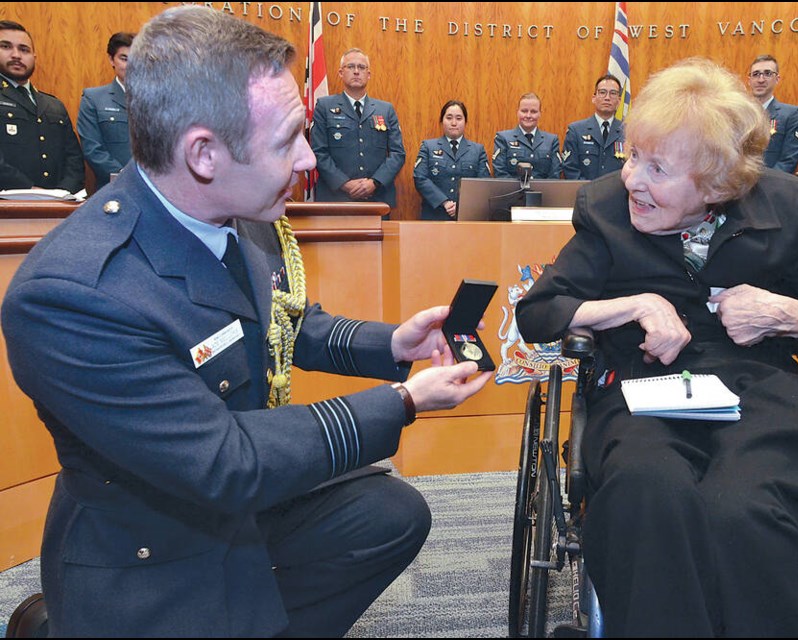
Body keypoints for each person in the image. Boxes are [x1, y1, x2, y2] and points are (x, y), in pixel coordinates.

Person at [1, 6, 491, 637]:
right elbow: (224, 461)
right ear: (204, 153)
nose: (309, 158)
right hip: (152, 542)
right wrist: (401, 401)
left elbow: (284, 324)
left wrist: (392, 344)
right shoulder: (76, 293)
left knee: (387, 514)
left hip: (235, 499)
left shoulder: (243, 209)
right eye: (288, 138)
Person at [515, 58, 798, 637]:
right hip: (644, 394)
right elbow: (540, 312)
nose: (634, 178)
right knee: (648, 491)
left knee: (742, 507)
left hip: (765, 394)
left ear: (716, 182)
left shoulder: (786, 206)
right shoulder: (607, 208)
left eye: (657, 167)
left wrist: (793, 313)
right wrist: (633, 304)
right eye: (633, 155)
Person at [310, 47, 405, 215]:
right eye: (350, 67)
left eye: (361, 68)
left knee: (377, 242)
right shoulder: (324, 106)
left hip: (377, 199)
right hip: (335, 199)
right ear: (341, 73)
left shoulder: (386, 109)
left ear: (368, 74)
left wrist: (374, 182)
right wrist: (345, 184)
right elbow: (318, 152)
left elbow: (398, 154)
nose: (356, 72)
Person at [0, 20, 83, 193]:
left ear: (34, 57)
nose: (16, 55)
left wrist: (64, 191)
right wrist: (31, 190)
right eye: (6, 47)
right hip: (8, 204)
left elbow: (74, 159)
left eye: (24, 50)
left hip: (56, 206)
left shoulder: (53, 104)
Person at [76, 31, 136, 191]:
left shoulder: (156, 100)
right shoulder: (93, 98)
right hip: (112, 189)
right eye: (124, 59)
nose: (130, 65)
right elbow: (92, 148)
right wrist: (125, 177)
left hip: (155, 192)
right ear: (111, 59)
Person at [413, 100, 490, 220]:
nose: (454, 123)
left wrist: (461, 205)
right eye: (449, 118)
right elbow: (420, 178)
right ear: (441, 121)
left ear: (465, 122)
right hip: (435, 216)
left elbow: (483, 184)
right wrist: (444, 202)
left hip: (467, 217)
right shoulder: (428, 147)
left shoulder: (478, 150)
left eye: (459, 118)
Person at [561, 73, 626, 180]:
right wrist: (589, 191)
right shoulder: (576, 130)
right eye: (602, 92)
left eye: (613, 93)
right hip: (585, 193)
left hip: (618, 194)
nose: (607, 98)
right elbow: (570, 168)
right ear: (594, 98)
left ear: (619, 101)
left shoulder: (628, 132)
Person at [748, 54, 798, 174]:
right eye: (756, 74)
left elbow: (789, 159)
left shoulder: (791, 114)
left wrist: (767, 183)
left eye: (767, 73)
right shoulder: (739, 113)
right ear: (749, 80)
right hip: (738, 185)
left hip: (772, 186)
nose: (761, 79)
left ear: (777, 79)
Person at [492, 92, 561, 179]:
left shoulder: (551, 141)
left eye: (533, 111)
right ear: (517, 112)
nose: (528, 115)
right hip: (512, 191)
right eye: (524, 111)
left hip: (543, 192)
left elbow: (554, 174)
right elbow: (500, 172)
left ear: (540, 113)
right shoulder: (503, 138)